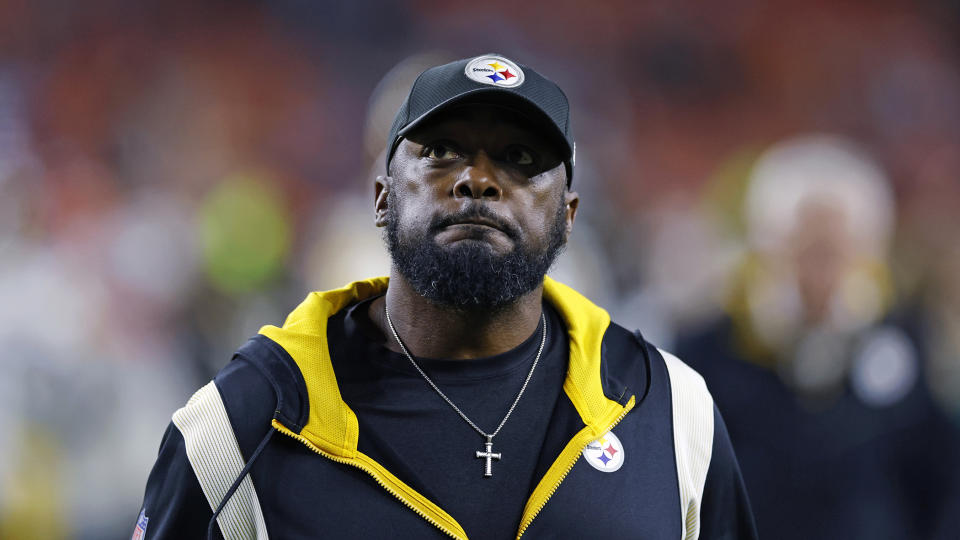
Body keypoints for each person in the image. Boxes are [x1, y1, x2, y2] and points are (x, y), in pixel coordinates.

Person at [135, 53, 757, 540]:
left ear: (569, 217)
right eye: (441, 151)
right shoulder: (244, 421)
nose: (478, 180)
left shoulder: (671, 411)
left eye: (519, 158)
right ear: (381, 197)